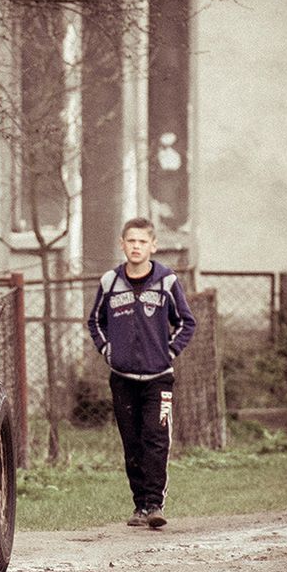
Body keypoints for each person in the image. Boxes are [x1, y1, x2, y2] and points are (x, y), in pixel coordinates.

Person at [87, 217, 196, 529]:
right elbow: (95, 322)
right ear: (122, 244)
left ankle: (155, 504)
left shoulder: (167, 281)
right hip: (122, 378)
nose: (136, 247)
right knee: (132, 441)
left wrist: (169, 351)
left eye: (142, 241)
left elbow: (187, 322)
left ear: (153, 246)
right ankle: (139, 506)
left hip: (158, 377)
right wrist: (108, 351)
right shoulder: (110, 282)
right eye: (130, 241)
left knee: (156, 438)